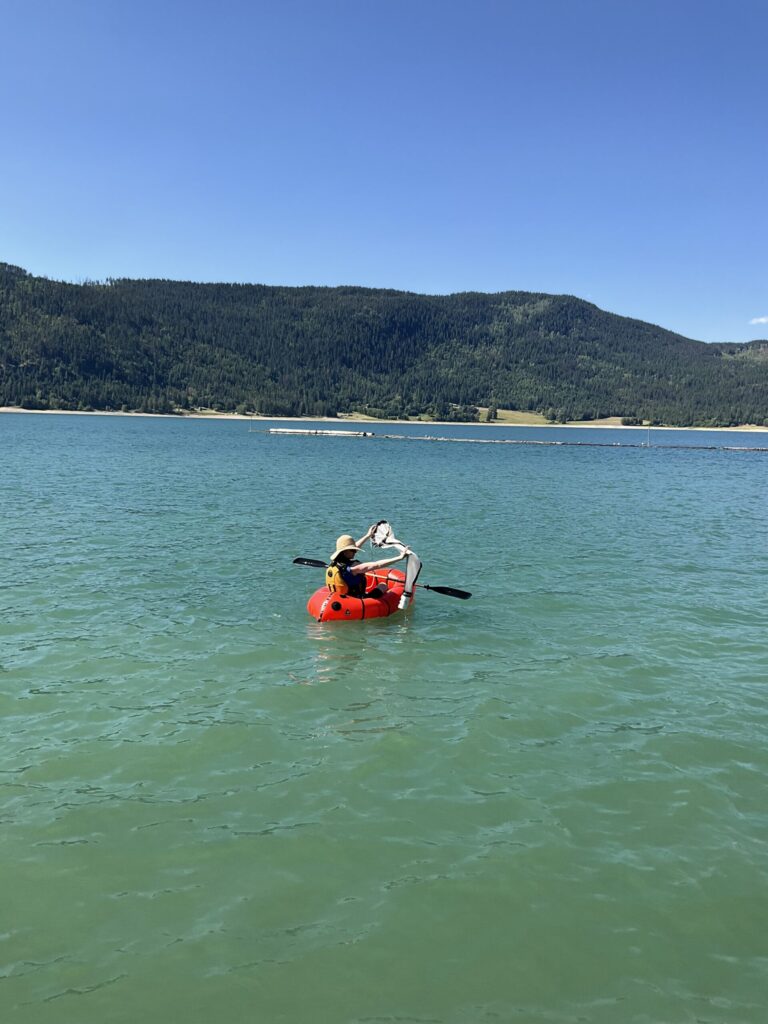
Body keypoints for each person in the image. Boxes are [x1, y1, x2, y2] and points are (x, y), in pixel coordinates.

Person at [326, 525, 411, 598]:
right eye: (353, 550)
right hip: (356, 600)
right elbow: (377, 565)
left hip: (341, 597)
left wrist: (368, 535)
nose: (355, 551)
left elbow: (354, 547)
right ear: (345, 552)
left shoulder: (336, 563)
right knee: (383, 586)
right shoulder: (354, 567)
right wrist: (400, 557)